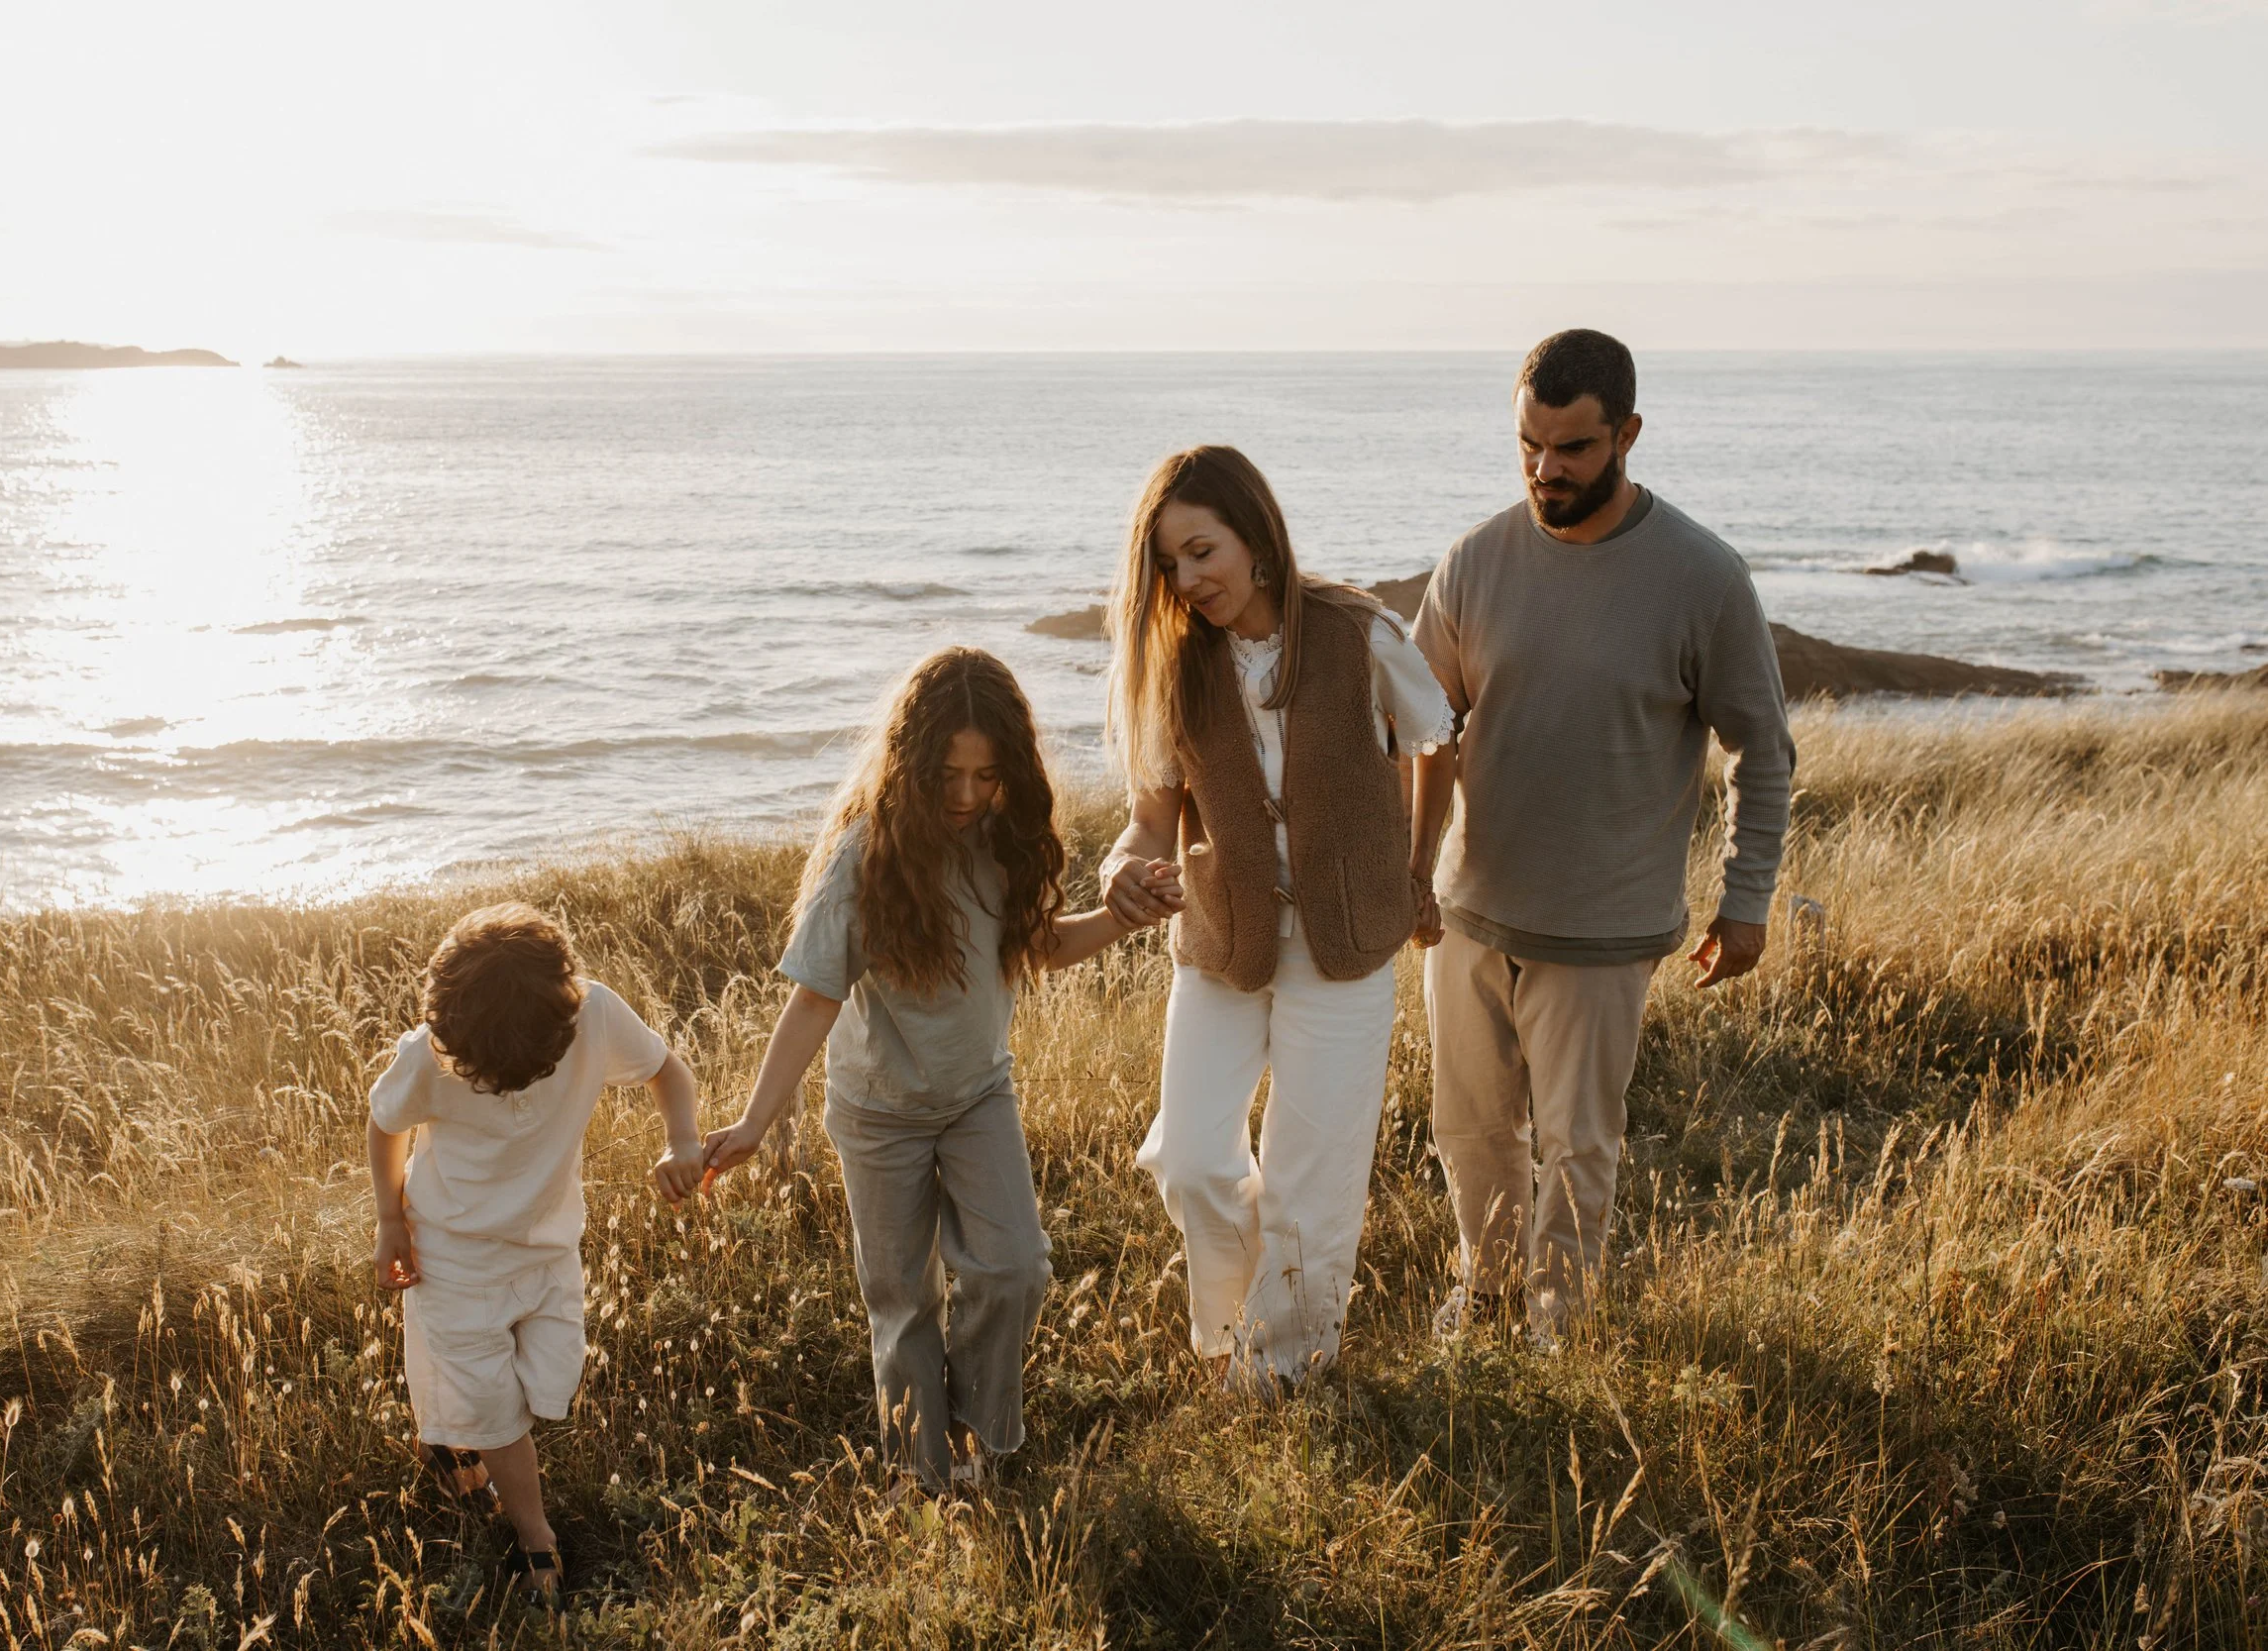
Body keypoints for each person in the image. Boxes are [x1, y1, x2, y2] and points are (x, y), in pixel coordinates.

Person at [1406, 329, 1796, 1346]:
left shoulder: (1703, 577)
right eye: (1529, 444)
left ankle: (1553, 1324)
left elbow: (1762, 747)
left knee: (1580, 1143)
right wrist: (1407, 873)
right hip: (1466, 911)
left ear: (1626, 433)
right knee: (1470, 1130)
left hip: (1604, 925)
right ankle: (1484, 1295)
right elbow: (1416, 731)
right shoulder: (1473, 561)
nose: (1546, 469)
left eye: (1572, 448)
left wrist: (1745, 899)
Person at [699, 647, 1162, 1490]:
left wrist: (1124, 917)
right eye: (947, 773)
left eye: (986, 775)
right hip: (879, 1113)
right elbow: (812, 999)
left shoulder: (1003, 837)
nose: (964, 795)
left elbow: (1041, 946)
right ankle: (924, 1473)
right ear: (911, 762)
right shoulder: (862, 857)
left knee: (1015, 1266)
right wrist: (755, 1123)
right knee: (904, 1303)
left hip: (979, 1092)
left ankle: (984, 1437)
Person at [1097, 445, 1454, 1396]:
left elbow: (1435, 739)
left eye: (1202, 551)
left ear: (1257, 536)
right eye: (1169, 564)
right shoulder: (1177, 667)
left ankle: (1281, 1370)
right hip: (1222, 937)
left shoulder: (1359, 632)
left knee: (1314, 1170)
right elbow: (1150, 813)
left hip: (1346, 940)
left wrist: (1418, 870)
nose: (1188, 580)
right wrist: (1126, 864)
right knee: (1189, 1157)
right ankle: (1237, 1326)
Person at [367, 902, 705, 1608]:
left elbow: (670, 1074)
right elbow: (384, 1122)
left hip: (548, 1245)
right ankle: (533, 1533)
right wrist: (389, 1218)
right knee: (497, 1407)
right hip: (451, 1254)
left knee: (551, 1383)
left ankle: (455, 1439)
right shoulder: (429, 1052)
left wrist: (681, 1141)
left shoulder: (593, 1014)